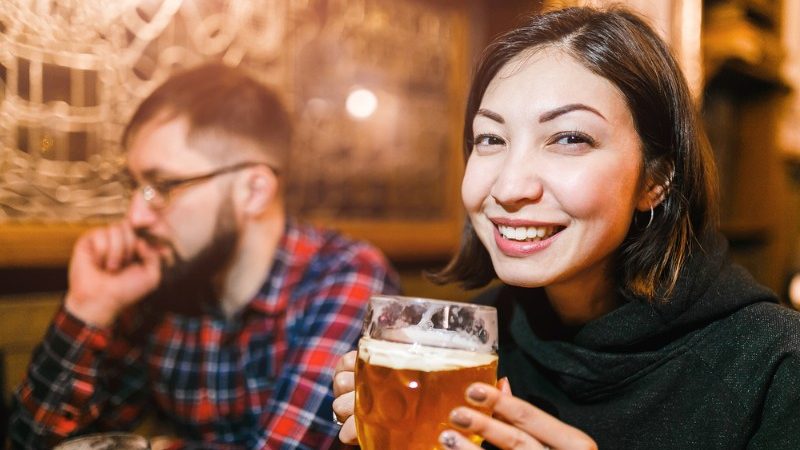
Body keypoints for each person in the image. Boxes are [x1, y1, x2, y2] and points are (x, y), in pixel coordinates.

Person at [332, 6, 800, 449]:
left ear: (655, 180)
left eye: (569, 139)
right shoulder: (472, 342)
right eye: (491, 139)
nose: (510, 186)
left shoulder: (777, 367)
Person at [9, 63, 400, 449]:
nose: (136, 216)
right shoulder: (165, 279)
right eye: (136, 186)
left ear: (254, 191)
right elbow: (33, 440)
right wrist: (88, 307)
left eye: (164, 185)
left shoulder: (345, 275)